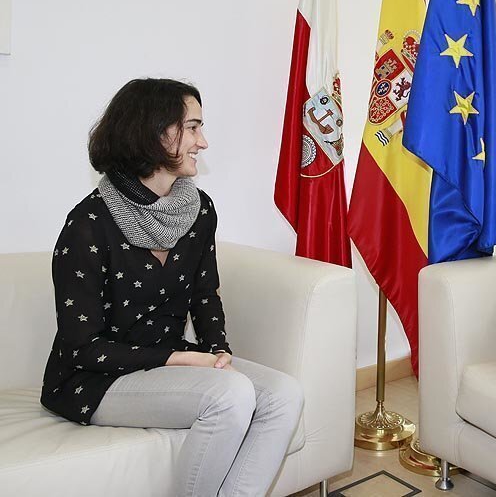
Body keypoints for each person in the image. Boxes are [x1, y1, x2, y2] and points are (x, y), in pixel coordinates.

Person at [41, 78, 304, 497]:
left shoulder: (199, 210)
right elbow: (83, 347)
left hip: (165, 362)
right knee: (230, 396)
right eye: (193, 127)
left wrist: (218, 350)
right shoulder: (88, 223)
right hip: (93, 379)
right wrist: (181, 358)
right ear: (154, 132)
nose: (203, 142)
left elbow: (205, 294)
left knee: (284, 395)